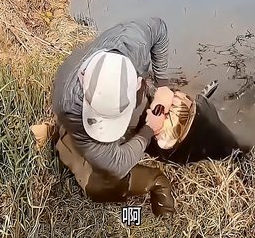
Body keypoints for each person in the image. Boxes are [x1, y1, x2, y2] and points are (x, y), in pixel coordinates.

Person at [50, 17, 176, 216]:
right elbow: (115, 165)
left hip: (129, 95)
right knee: (105, 183)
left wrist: (162, 85)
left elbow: (159, 30)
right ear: (83, 77)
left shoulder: (133, 41)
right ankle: (64, 144)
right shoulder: (68, 104)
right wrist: (148, 130)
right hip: (80, 129)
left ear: (136, 82)